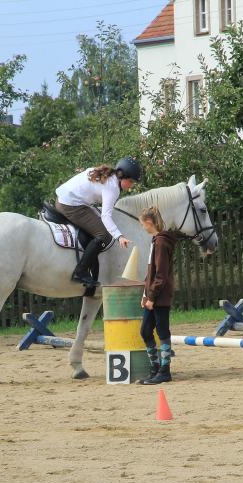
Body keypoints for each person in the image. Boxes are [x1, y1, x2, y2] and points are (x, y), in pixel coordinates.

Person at [55, 157, 140, 286]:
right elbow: (106, 216)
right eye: (130, 181)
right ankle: (80, 272)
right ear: (122, 176)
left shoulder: (107, 175)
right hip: (70, 205)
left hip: (64, 198)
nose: (131, 185)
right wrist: (119, 236)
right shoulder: (112, 188)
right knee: (104, 236)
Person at [137, 206, 178, 385]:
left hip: (160, 296)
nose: (142, 227)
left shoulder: (161, 243)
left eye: (142, 224)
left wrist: (152, 297)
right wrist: (145, 295)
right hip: (152, 295)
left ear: (149, 222)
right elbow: (150, 273)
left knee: (162, 331)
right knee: (145, 331)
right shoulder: (155, 241)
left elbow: (161, 274)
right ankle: (154, 368)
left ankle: (164, 370)